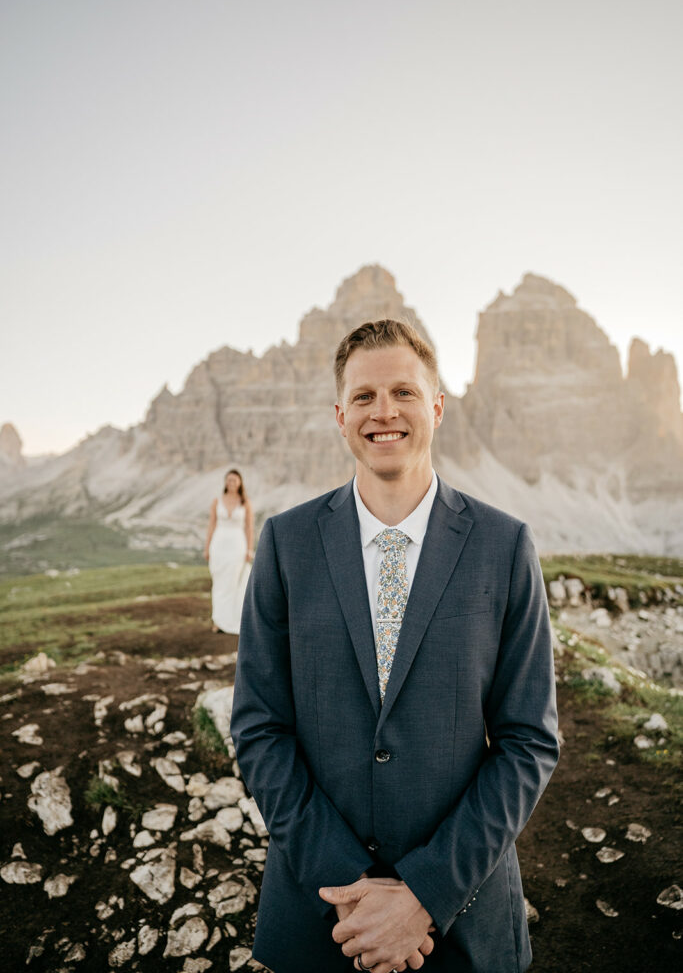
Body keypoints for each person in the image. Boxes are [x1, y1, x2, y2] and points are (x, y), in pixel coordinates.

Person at [230, 320, 559, 973]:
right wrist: (350, 888)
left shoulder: (505, 547)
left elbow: (529, 740)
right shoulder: (284, 545)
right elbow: (259, 726)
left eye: (404, 393)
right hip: (321, 919)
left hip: (461, 925)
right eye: (363, 397)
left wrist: (423, 894)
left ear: (436, 407)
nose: (383, 412)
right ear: (339, 415)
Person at [204, 468, 254, 633]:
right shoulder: (217, 501)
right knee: (219, 583)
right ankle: (218, 619)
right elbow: (211, 524)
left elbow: (249, 528)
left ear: (239, 483)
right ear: (225, 482)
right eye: (229, 480)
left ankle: (233, 618)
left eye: (234, 480)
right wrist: (207, 547)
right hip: (219, 544)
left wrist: (249, 549)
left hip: (237, 545)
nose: (231, 483)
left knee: (233, 582)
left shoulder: (245, 502)